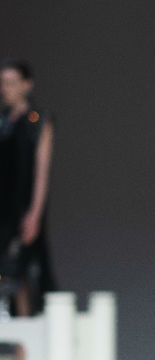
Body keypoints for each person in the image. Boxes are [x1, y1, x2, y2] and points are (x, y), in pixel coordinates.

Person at [0, 59, 57, 317]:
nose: (5, 89)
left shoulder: (38, 120)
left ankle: (27, 326)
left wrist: (34, 212)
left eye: (11, 83)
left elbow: (41, 171)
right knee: (6, 270)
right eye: (2, 83)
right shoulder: (3, 121)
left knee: (22, 269)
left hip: (23, 206)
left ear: (26, 85)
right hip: (3, 204)